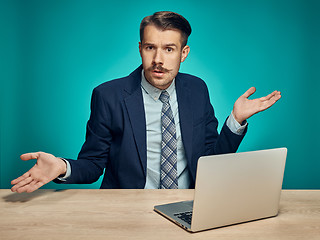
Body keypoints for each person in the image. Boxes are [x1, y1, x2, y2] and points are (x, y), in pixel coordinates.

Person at [11, 11, 281, 193]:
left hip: (188, 205)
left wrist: (235, 122)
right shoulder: (108, 96)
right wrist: (62, 166)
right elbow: (93, 165)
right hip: (127, 210)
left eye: (169, 49)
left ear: (183, 53)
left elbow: (211, 163)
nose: (159, 60)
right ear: (141, 48)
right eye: (151, 47)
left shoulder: (197, 90)